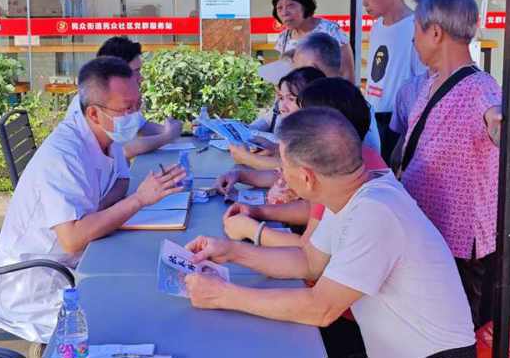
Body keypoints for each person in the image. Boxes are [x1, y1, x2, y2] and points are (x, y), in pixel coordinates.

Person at [185, 108, 476, 358]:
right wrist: (231, 251)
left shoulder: (375, 212)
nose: (280, 175)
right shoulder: (352, 196)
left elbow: (321, 309)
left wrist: (222, 295)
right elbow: (308, 262)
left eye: (283, 167)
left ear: (307, 177)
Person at [0, 57, 186, 345]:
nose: (134, 116)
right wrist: (139, 200)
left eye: (137, 105)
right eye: (126, 109)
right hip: (32, 286)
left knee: (149, 287)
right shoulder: (63, 155)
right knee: (134, 317)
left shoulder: (106, 135)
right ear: (93, 113)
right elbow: (73, 239)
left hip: (72, 264)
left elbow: (121, 181)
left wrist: (100, 214)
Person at [400, 0, 510, 329]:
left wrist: (509, 126)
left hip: (460, 250)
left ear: (435, 32)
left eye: (416, 30)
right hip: (431, 236)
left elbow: (494, 117)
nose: (413, 40)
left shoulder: (480, 88)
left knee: (460, 334)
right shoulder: (432, 82)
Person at [223, 77, 387, 249]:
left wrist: (253, 232)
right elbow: (313, 210)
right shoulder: (352, 158)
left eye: (303, 116)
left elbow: (308, 252)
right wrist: (255, 211)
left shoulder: (348, 173)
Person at [65, 36, 183, 157]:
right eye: (136, 71)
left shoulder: (117, 96)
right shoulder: (92, 101)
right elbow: (126, 148)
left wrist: (172, 129)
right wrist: (167, 136)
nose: (141, 78)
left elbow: (141, 126)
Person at [359, 0, 427, 164]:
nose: (364, 3)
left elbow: (423, 84)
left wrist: (407, 132)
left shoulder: (416, 27)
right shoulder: (377, 27)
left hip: (399, 123)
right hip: (373, 118)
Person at [293, 32, 381, 152]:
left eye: (299, 71)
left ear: (313, 68)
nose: (295, 77)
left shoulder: (340, 105)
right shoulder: (351, 99)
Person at [228, 66, 325, 171]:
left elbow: (295, 169)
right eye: (281, 98)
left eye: (291, 99)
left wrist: (248, 159)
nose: (282, 107)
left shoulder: (321, 135)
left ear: (313, 101)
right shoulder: (298, 129)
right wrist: (274, 148)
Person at [272, 0, 355, 82]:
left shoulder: (330, 31)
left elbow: (347, 74)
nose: (284, 13)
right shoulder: (283, 38)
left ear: (305, 5)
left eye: (291, 5)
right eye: (279, 8)